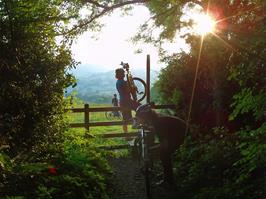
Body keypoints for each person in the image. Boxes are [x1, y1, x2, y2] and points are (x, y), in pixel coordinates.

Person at [135, 103, 186, 187]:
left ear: (145, 116)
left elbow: (164, 143)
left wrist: (152, 149)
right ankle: (167, 175)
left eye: (140, 118)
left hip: (181, 134)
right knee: (163, 153)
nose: (139, 120)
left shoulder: (157, 123)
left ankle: (169, 181)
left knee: (164, 155)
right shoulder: (156, 119)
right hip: (178, 131)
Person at [115, 68, 140, 134]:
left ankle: (126, 135)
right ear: (120, 74)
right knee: (140, 108)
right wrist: (133, 88)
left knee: (125, 119)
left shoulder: (119, 81)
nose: (124, 73)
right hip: (126, 101)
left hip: (123, 101)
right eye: (123, 72)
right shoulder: (122, 82)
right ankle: (135, 123)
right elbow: (127, 91)